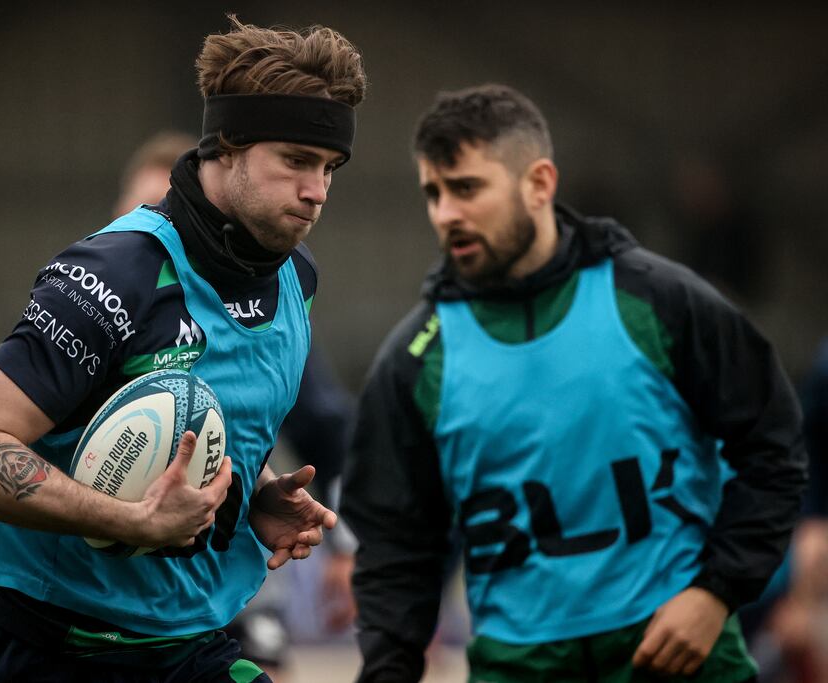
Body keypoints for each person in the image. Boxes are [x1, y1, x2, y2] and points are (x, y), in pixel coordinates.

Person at [0, 15, 366, 683]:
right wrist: (132, 518)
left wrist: (252, 495)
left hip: (187, 648)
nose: (317, 191)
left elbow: (193, 427)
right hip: (35, 646)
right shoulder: (115, 274)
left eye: (329, 167)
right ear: (228, 145)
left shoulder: (296, 278)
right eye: (297, 161)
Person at [341, 83, 807, 682]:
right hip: (518, 666)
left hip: (680, 656)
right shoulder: (413, 361)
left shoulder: (660, 302)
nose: (445, 213)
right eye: (433, 193)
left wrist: (716, 592)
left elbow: (773, 448)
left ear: (538, 184)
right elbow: (394, 546)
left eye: (466, 188)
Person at [113, 130, 359, 680]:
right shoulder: (99, 306)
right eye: (141, 212)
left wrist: (343, 541)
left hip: (229, 586)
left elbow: (329, 428)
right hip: (111, 597)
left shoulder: (263, 326)